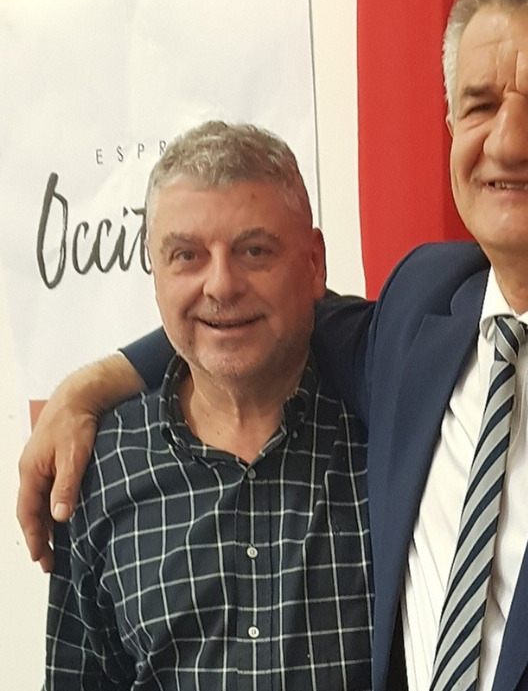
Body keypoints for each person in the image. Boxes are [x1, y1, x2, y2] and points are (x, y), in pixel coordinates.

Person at [18, 0, 528, 691]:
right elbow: (238, 324)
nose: (509, 141)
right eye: (480, 104)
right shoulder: (419, 313)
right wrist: (91, 384)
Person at [43, 122, 373, 689]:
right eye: (187, 256)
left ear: (314, 262)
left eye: (254, 251)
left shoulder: (390, 430)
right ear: (155, 273)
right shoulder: (100, 467)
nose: (221, 285)